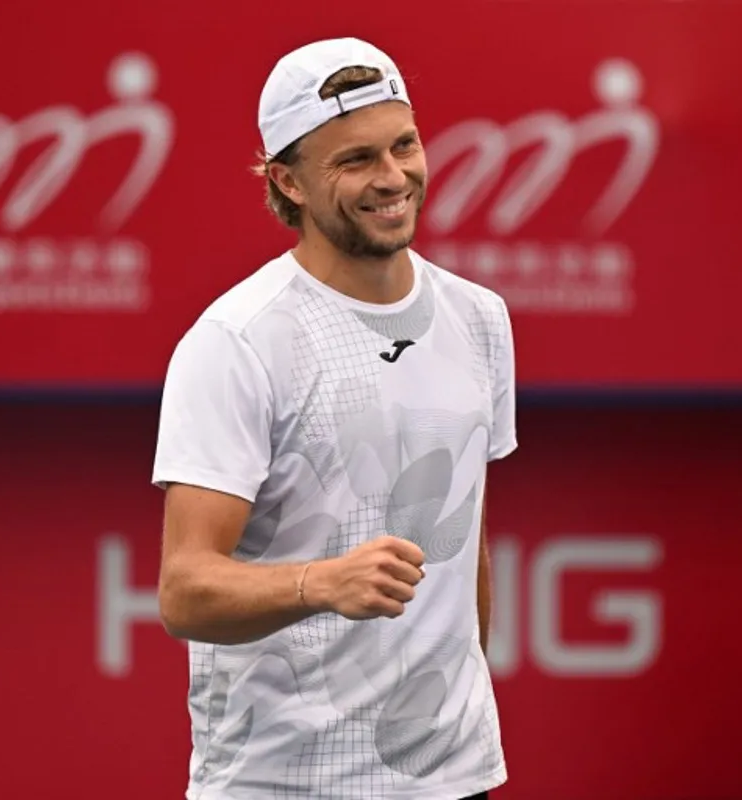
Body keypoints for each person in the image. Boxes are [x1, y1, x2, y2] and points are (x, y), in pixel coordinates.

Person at [152, 36, 517, 800]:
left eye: (404, 145)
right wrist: (321, 582)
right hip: (281, 782)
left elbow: (466, 540)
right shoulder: (236, 342)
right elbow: (185, 590)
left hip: (453, 778)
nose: (394, 178)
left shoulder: (480, 319)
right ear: (287, 182)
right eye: (354, 161)